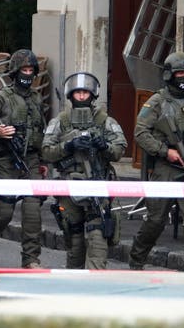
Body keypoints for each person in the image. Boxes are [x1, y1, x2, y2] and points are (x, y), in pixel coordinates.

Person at [128, 51, 184, 271]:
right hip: (166, 168)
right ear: (170, 75)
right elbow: (140, 132)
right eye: (180, 73)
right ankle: (137, 259)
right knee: (156, 220)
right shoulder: (157, 102)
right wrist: (165, 151)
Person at [42, 72, 127, 269]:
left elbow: (119, 150)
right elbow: (46, 151)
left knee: (98, 236)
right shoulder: (60, 121)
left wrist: (104, 146)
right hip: (69, 189)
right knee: (75, 241)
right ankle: (74, 283)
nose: (81, 96)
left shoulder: (105, 121)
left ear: (93, 95)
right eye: (78, 92)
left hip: (97, 186)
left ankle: (95, 283)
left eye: (85, 92)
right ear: (71, 95)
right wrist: (68, 146)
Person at [0, 49, 46, 269]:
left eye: (30, 70)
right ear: (15, 72)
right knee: (4, 213)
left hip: (31, 159)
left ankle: (31, 259)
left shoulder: (36, 97)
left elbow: (40, 129)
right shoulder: (2, 97)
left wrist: (44, 160)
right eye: (23, 69)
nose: (27, 73)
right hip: (6, 159)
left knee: (33, 211)